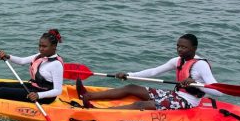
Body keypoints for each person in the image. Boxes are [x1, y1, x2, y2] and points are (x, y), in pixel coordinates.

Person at [77, 33, 222, 110]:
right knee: (131, 88)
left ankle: (97, 111)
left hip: (188, 102)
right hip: (175, 95)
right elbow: (154, 72)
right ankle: (88, 96)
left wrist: (196, 83)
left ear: (194, 48)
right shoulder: (178, 60)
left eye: (184, 47)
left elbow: (217, 91)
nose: (179, 49)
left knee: (140, 105)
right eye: (178, 46)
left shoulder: (201, 65)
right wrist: (129, 75)